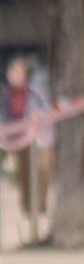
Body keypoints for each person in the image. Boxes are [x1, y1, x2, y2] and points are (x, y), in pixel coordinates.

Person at [0, 56, 52, 215]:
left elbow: (46, 109)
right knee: (23, 172)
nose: (15, 76)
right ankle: (27, 205)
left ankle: (41, 204)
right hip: (17, 138)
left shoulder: (35, 92)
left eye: (19, 72)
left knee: (43, 170)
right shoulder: (5, 94)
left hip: (39, 136)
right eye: (13, 72)